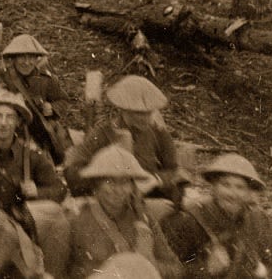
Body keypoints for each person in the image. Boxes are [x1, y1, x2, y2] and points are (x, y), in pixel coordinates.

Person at [0, 88, 69, 278]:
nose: (3, 123)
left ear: (18, 122)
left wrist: (37, 192)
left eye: (10, 117)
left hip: (16, 231)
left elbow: (60, 189)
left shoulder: (30, 155)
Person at [64, 75, 184, 215]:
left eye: (149, 112)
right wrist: (103, 179)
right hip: (112, 198)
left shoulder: (158, 133)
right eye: (138, 113)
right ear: (123, 110)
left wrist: (156, 179)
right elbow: (73, 169)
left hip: (149, 196)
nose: (146, 118)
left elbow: (173, 170)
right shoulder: (103, 133)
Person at [162, 153, 272, 279]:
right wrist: (204, 268)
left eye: (240, 187)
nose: (232, 194)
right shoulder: (188, 218)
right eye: (225, 185)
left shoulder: (257, 218)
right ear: (214, 186)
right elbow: (164, 269)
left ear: (248, 193)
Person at [67, 145, 182, 279]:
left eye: (125, 182)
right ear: (95, 185)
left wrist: (150, 261)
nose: (118, 190)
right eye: (110, 181)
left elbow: (177, 269)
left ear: (133, 187)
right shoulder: (76, 220)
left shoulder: (143, 218)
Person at [0, 33, 69, 163]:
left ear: (37, 59)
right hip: (1, 135)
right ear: (13, 58)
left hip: (36, 136)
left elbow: (63, 100)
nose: (27, 62)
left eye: (31, 57)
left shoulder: (46, 80)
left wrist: (52, 108)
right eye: (22, 57)